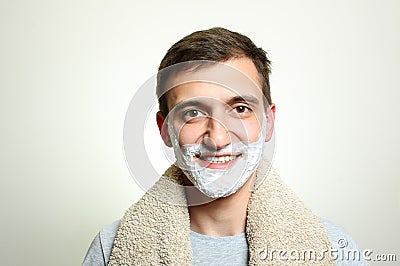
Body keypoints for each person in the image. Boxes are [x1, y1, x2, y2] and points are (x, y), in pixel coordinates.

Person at [83, 27, 367, 265]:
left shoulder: (334, 251)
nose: (218, 139)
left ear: (268, 122)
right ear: (165, 130)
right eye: (192, 113)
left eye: (240, 109)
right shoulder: (111, 250)